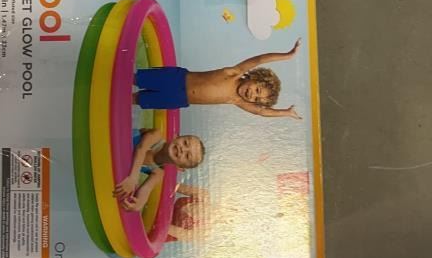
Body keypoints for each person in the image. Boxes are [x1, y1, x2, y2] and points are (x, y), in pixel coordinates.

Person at [133, 39, 302, 119]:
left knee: (138, 99)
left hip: (178, 98)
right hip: (175, 79)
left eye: (256, 99)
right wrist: (287, 55)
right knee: (135, 79)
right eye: (257, 90)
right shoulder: (234, 73)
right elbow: (260, 59)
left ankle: (120, 101)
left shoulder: (236, 100)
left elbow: (261, 112)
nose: (252, 95)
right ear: (254, 77)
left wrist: (285, 112)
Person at [113, 130, 205, 213]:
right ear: (176, 136)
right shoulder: (156, 136)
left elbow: (146, 189)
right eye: (185, 143)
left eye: (187, 156)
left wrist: (139, 204)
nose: (182, 149)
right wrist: (133, 178)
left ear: (180, 168)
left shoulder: (159, 172)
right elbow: (141, 149)